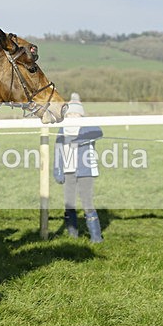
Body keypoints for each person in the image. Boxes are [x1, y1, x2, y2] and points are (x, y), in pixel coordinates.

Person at [53, 93, 104, 242]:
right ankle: (72, 235)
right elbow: (58, 150)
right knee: (69, 203)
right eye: (70, 114)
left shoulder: (87, 127)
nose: (73, 116)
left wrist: (78, 140)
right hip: (68, 171)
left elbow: (99, 132)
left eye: (76, 113)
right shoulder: (62, 129)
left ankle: (96, 237)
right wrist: (57, 170)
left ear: (81, 115)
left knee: (87, 202)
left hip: (85, 171)